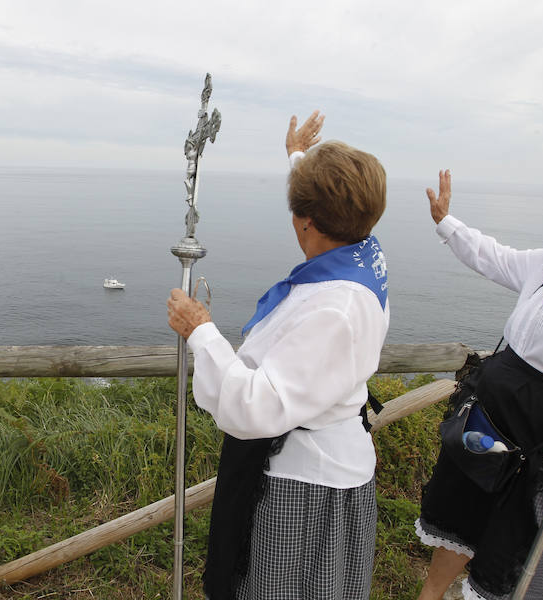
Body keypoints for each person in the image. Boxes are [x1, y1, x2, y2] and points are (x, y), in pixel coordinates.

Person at [167, 110, 389, 599]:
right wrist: (300, 156)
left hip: (305, 480)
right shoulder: (362, 252)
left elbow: (256, 407)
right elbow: (334, 202)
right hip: (311, 460)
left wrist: (201, 331)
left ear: (305, 221)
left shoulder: (336, 308)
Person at [415, 156, 543, 600]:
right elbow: (494, 258)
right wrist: (446, 222)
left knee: (515, 567)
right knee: (461, 520)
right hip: (494, 426)